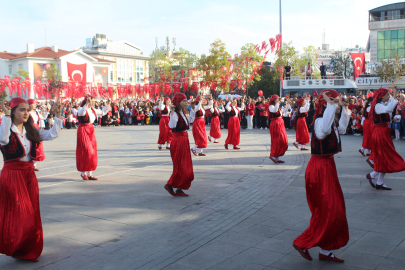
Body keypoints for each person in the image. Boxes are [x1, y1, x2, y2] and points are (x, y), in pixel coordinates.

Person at [0, 98, 62, 262]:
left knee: (32, 214)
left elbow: (52, 134)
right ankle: (15, 245)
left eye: (27, 109)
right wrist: (6, 117)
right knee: (21, 213)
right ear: (13, 111)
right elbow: (3, 140)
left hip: (29, 176)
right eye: (21, 109)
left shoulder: (31, 131)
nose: (26, 112)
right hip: (12, 176)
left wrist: (58, 115)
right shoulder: (5, 128)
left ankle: (26, 249)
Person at [293, 89, 351, 263]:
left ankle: (326, 250)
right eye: (334, 100)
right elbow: (322, 132)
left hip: (327, 166)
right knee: (329, 210)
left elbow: (342, 129)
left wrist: (345, 110)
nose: (338, 102)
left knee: (333, 210)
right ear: (326, 103)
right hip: (319, 169)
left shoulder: (329, 120)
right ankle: (303, 242)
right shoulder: (320, 121)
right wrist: (331, 106)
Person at [366, 87, 405, 190]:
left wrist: (394, 96)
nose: (388, 96)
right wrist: (394, 98)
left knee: (385, 156)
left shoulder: (380, 105)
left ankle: (379, 181)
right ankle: (373, 175)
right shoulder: (378, 106)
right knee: (384, 156)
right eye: (387, 94)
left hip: (383, 132)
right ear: (382, 96)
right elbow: (388, 109)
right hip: (380, 133)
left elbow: (389, 108)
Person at [164, 93, 194, 197]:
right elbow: (172, 126)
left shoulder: (183, 113)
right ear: (178, 103)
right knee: (180, 166)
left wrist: (194, 109)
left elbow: (190, 122)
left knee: (186, 166)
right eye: (184, 101)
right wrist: (171, 113)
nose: (186, 103)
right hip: (178, 140)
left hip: (184, 140)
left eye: (186, 101)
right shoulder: (175, 114)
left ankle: (179, 188)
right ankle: (170, 184)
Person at [76, 95, 111, 180]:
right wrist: (86, 104)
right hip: (83, 130)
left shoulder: (93, 110)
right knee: (85, 151)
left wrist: (108, 104)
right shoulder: (81, 109)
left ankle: (89, 173)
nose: (93, 103)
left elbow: (102, 112)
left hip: (91, 131)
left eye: (93, 101)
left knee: (92, 152)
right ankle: (83, 172)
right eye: (91, 101)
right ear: (87, 101)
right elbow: (81, 113)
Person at [27, 99, 48, 171]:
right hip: (30, 130)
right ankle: (30, 164)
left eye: (35, 104)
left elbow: (43, 118)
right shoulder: (27, 113)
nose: (35, 105)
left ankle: (34, 164)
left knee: (37, 146)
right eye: (33, 104)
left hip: (36, 129)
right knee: (30, 146)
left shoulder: (36, 112)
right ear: (29, 104)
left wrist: (47, 111)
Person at [268, 95, 288, 163]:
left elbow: (283, 112)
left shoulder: (278, 106)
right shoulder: (271, 106)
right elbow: (274, 110)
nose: (278, 100)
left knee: (281, 140)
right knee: (276, 140)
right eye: (277, 99)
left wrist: (287, 105)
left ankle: (277, 156)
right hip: (275, 124)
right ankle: (273, 155)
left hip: (280, 124)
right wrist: (277, 103)